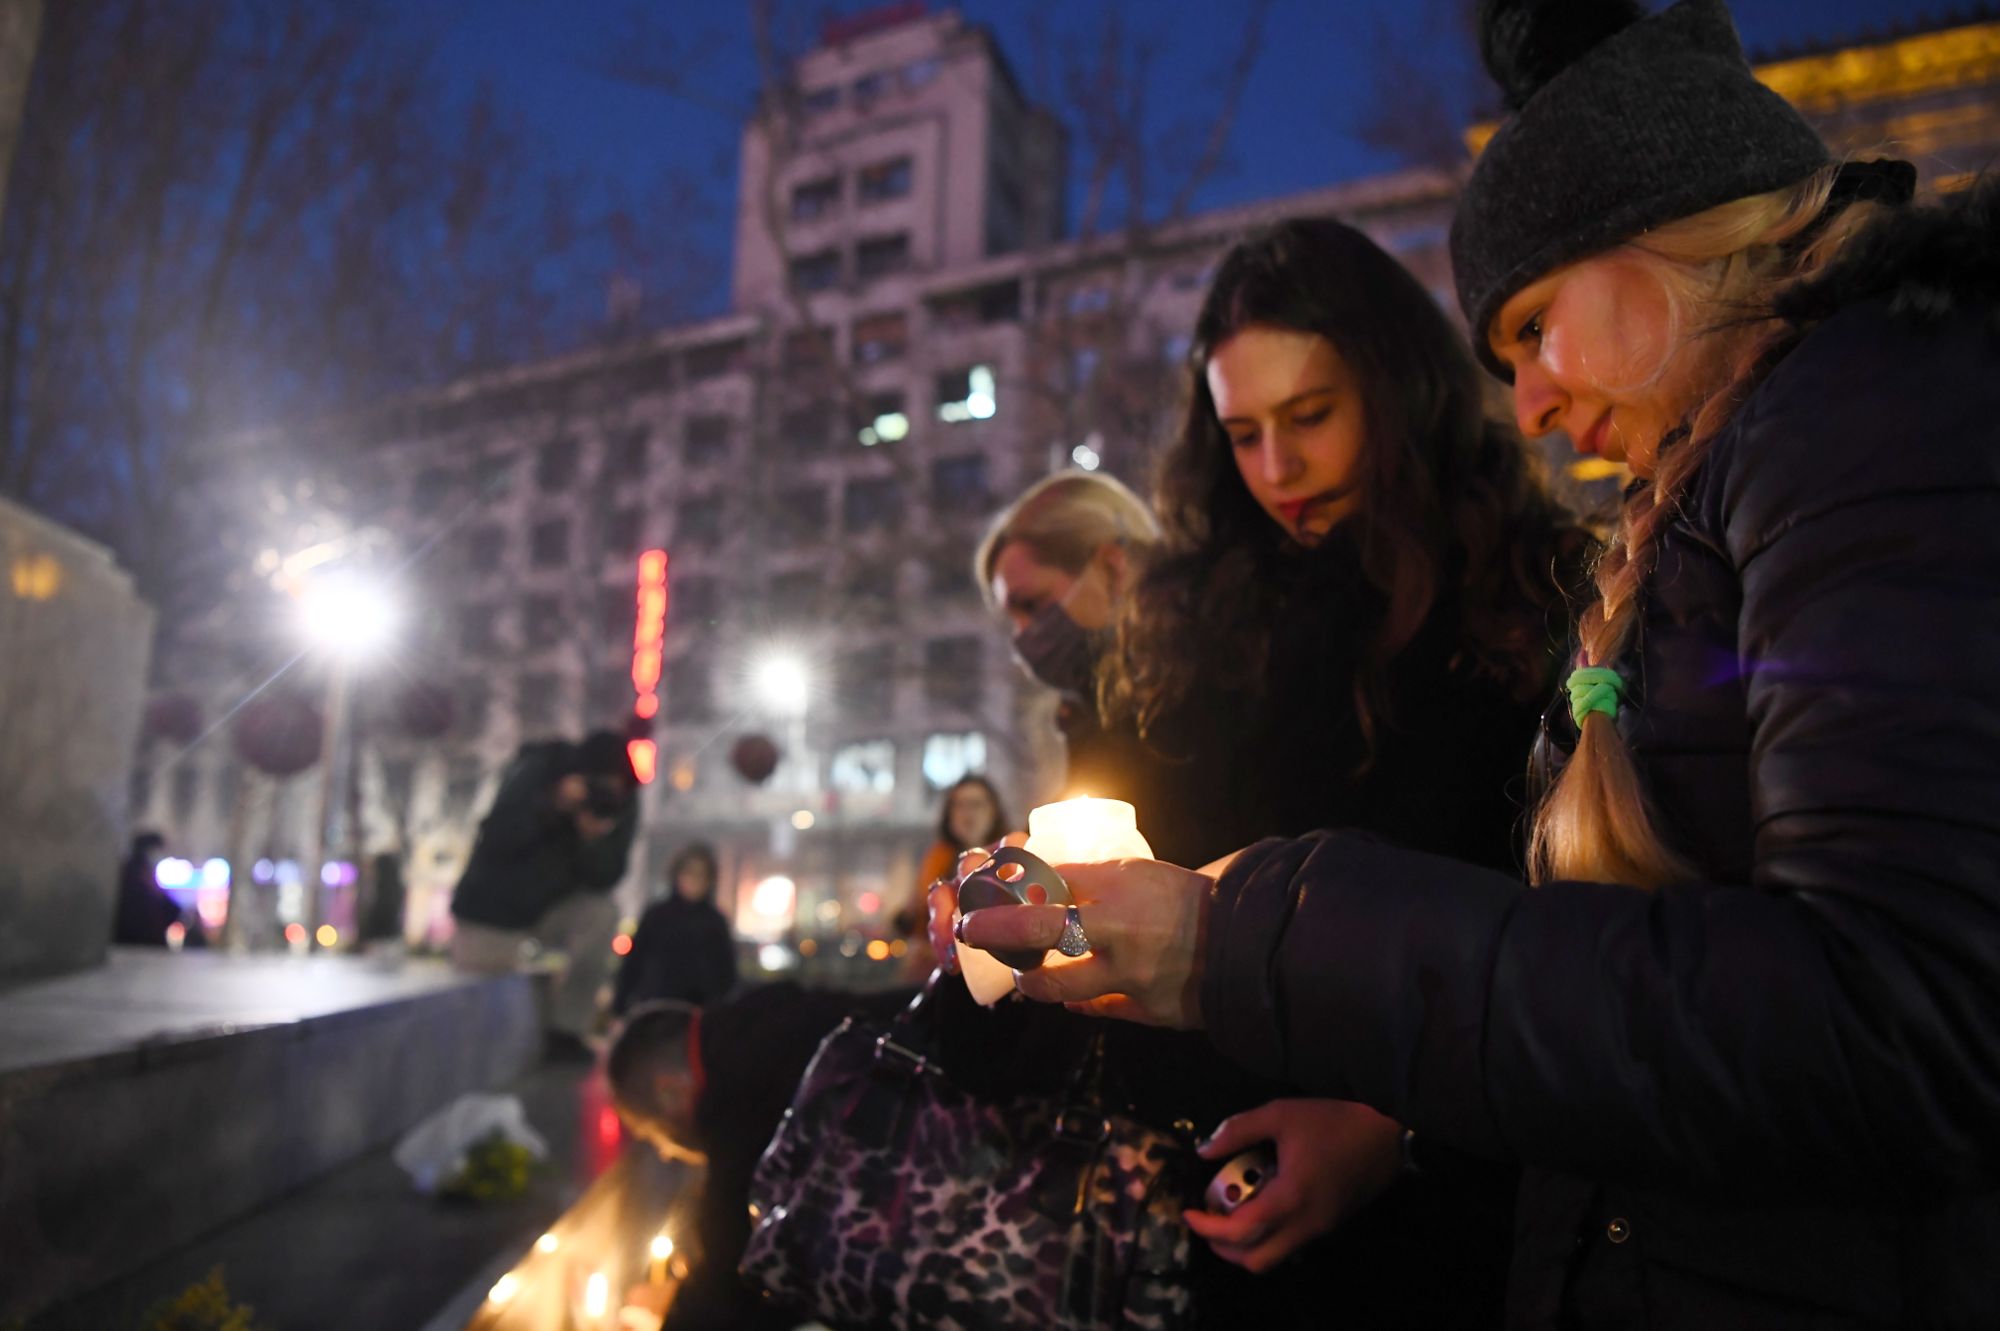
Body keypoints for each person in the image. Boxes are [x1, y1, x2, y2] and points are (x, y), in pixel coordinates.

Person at [961, 2, 2000, 1326]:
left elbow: (1878, 1013)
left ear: (1668, 236)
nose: (1536, 404)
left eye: (1534, 328)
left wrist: (1272, 965)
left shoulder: (1856, 427)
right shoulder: (1722, 491)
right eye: (1243, 434)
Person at [939, 213, 1592, 1327]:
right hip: (1214, 1208)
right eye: (1242, 433)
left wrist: (1397, 1125)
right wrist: (1018, 925)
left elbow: (1574, 951)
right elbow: (1132, 874)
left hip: (1460, 1229)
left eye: (1311, 416)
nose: (1278, 470)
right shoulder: (1188, 624)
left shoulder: (1532, 598)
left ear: (1397, 390)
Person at [608, 984, 917, 1331]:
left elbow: (730, 1282)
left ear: (670, 1090)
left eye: (655, 1136)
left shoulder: (739, 1105)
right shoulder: (763, 1022)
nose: (666, 1154)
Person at [451, 730, 639, 1056]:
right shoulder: (542, 770)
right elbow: (497, 836)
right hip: (492, 908)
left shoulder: (624, 802)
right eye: (596, 784)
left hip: (549, 908)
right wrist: (552, 805)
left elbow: (608, 874)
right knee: (481, 1018)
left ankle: (567, 1032)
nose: (602, 793)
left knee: (602, 914)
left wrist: (589, 838)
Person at [974, 470, 1159, 802]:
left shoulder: (1208, 685)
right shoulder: (1087, 712)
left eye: (1031, 604)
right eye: (1012, 620)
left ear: (1113, 568)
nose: (1022, 636)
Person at [614, 843, 737, 1015]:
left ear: (710, 880)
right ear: (677, 875)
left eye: (701, 875)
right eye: (689, 873)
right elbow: (633, 963)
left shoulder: (715, 922)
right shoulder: (656, 915)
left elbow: (726, 972)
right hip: (655, 1007)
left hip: (700, 1012)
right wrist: (619, 1007)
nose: (694, 880)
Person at [113, 830, 182, 946]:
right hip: (133, 946)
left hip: (147, 946)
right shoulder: (131, 878)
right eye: (159, 850)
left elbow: (172, 911)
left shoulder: (150, 879)